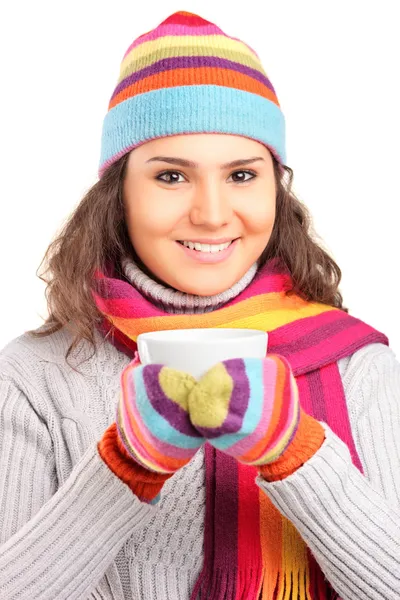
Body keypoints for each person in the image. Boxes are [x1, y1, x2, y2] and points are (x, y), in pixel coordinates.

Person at [0, 9, 399, 600]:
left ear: (275, 188)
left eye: (242, 174)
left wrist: (297, 452)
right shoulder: (35, 378)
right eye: (170, 177)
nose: (212, 213)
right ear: (119, 195)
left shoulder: (357, 365)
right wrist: (122, 469)